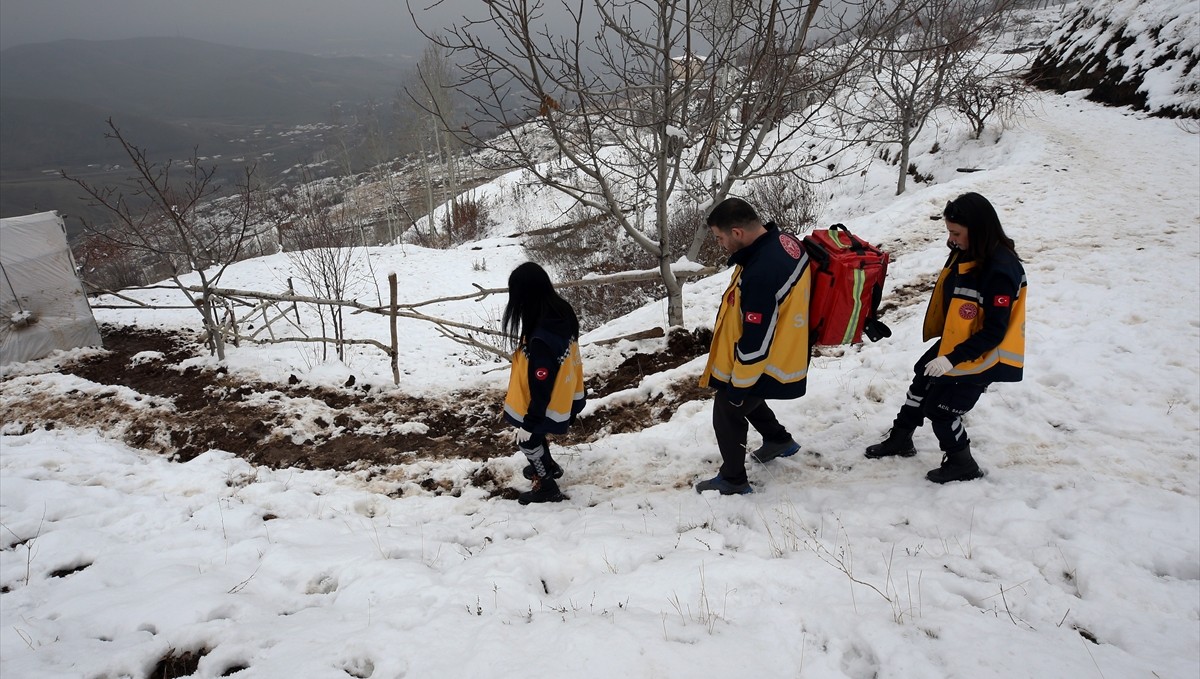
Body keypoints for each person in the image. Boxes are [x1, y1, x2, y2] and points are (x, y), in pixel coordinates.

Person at [864, 192, 1026, 483]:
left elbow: (994, 331)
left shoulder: (999, 270)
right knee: (922, 379)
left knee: (941, 410)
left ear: (978, 230)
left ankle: (962, 463)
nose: (952, 239)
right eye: (949, 232)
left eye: (956, 233)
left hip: (981, 354)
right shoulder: (969, 252)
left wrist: (951, 359)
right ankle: (901, 438)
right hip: (958, 342)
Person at [696, 197, 812, 495]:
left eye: (720, 238)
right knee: (745, 397)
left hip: (772, 356)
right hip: (787, 345)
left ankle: (733, 480)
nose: (720, 244)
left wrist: (738, 386)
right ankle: (778, 439)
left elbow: (756, 341)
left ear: (737, 232)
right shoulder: (784, 241)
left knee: (728, 405)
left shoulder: (762, 272)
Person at [501, 262, 587, 504]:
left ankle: (546, 484)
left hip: (548, 403)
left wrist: (530, 422)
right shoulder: (561, 312)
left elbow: (542, 387)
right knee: (534, 436)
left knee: (528, 441)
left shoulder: (541, 339)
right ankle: (548, 464)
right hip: (567, 394)